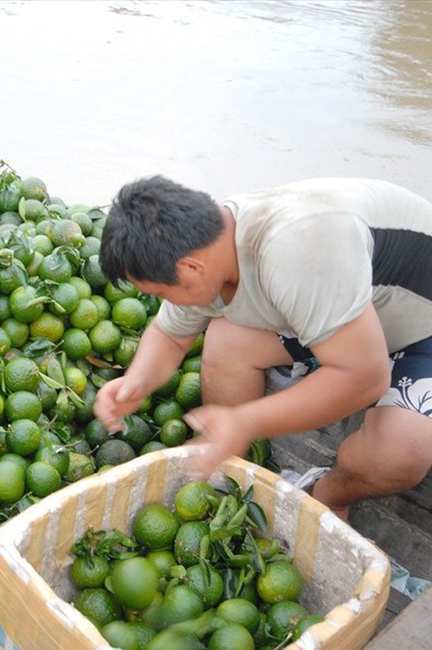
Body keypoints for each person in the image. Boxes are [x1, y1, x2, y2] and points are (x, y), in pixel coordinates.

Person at [93, 175, 432, 522]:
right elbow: (169, 334)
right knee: (226, 341)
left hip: (421, 331)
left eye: (161, 293)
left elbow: (365, 377)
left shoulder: (299, 246)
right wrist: (135, 383)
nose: (164, 302)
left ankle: (325, 498)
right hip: (345, 319)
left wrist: (244, 421)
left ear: (191, 268)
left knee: (402, 449)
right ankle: (230, 466)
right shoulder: (207, 247)